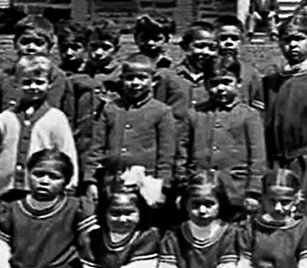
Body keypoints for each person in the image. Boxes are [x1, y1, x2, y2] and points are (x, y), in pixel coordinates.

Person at [251, 14, 307, 216]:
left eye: (299, 39)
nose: (292, 45)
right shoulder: (269, 82)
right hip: (274, 159)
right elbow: (258, 125)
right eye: (287, 40)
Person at [0, 150, 96, 268]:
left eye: (54, 177)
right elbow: (1, 249)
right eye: (38, 174)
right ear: (28, 174)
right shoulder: (11, 209)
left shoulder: (75, 208)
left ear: (66, 181)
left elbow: (89, 251)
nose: (44, 181)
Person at [179, 57, 266, 220]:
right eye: (214, 83)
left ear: (238, 83)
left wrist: (253, 191)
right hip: (200, 191)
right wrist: (182, 186)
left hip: (235, 190)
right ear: (205, 84)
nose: (220, 88)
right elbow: (182, 152)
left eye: (227, 82)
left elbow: (258, 157)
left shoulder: (249, 115)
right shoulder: (194, 114)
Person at [84, 55, 176, 208]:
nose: (135, 83)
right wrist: (90, 180)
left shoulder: (162, 111)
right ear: (121, 80)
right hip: (112, 182)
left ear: (153, 81)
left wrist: (162, 185)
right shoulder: (111, 109)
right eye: (130, 78)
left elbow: (166, 154)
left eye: (142, 78)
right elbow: (97, 147)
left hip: (146, 184)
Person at [156, 171, 243, 268]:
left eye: (209, 204)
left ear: (220, 203)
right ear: (185, 204)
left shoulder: (229, 233)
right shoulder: (174, 235)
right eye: (196, 204)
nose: (202, 211)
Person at [78, 182, 170, 268]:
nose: (122, 219)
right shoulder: (93, 237)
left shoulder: (148, 235)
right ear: (104, 213)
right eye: (115, 214)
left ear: (140, 212)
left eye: (129, 213)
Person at [0, 55, 78, 199]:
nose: (33, 87)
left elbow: (66, 151)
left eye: (39, 82)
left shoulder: (56, 118)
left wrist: (70, 183)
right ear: (17, 83)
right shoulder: (5, 117)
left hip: (41, 191)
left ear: (49, 84)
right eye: (27, 82)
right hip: (5, 189)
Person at [67, 20, 121, 158]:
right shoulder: (76, 78)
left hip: (114, 142)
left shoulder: (122, 76)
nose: (98, 52)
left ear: (116, 49)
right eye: (93, 46)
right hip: (82, 142)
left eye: (105, 47)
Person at [154, 21, 221, 123]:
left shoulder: (218, 80)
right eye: (200, 46)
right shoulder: (167, 76)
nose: (206, 52)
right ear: (184, 45)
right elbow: (157, 111)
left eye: (212, 48)